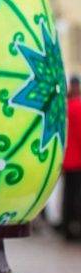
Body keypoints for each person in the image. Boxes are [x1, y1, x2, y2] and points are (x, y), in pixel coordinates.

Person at [62, 77, 81, 240]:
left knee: (67, 195)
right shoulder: (79, 106)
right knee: (76, 196)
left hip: (67, 159)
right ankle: (75, 227)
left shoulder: (65, 106)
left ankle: (66, 227)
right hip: (78, 160)